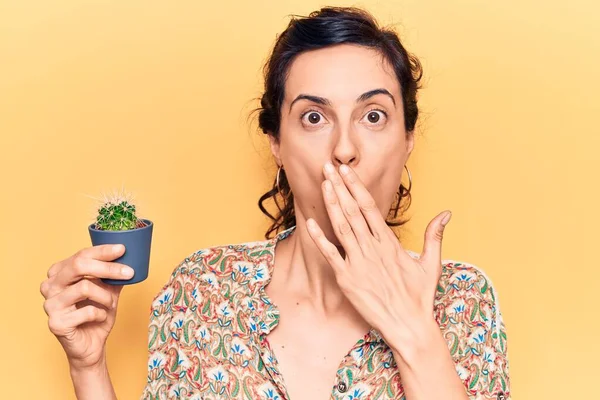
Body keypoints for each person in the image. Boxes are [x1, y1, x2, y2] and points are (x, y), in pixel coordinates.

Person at [40, 6, 510, 400]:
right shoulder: (201, 292)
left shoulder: (462, 301)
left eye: (372, 115)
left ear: (407, 139)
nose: (344, 148)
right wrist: (88, 367)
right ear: (277, 144)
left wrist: (415, 335)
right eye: (313, 116)